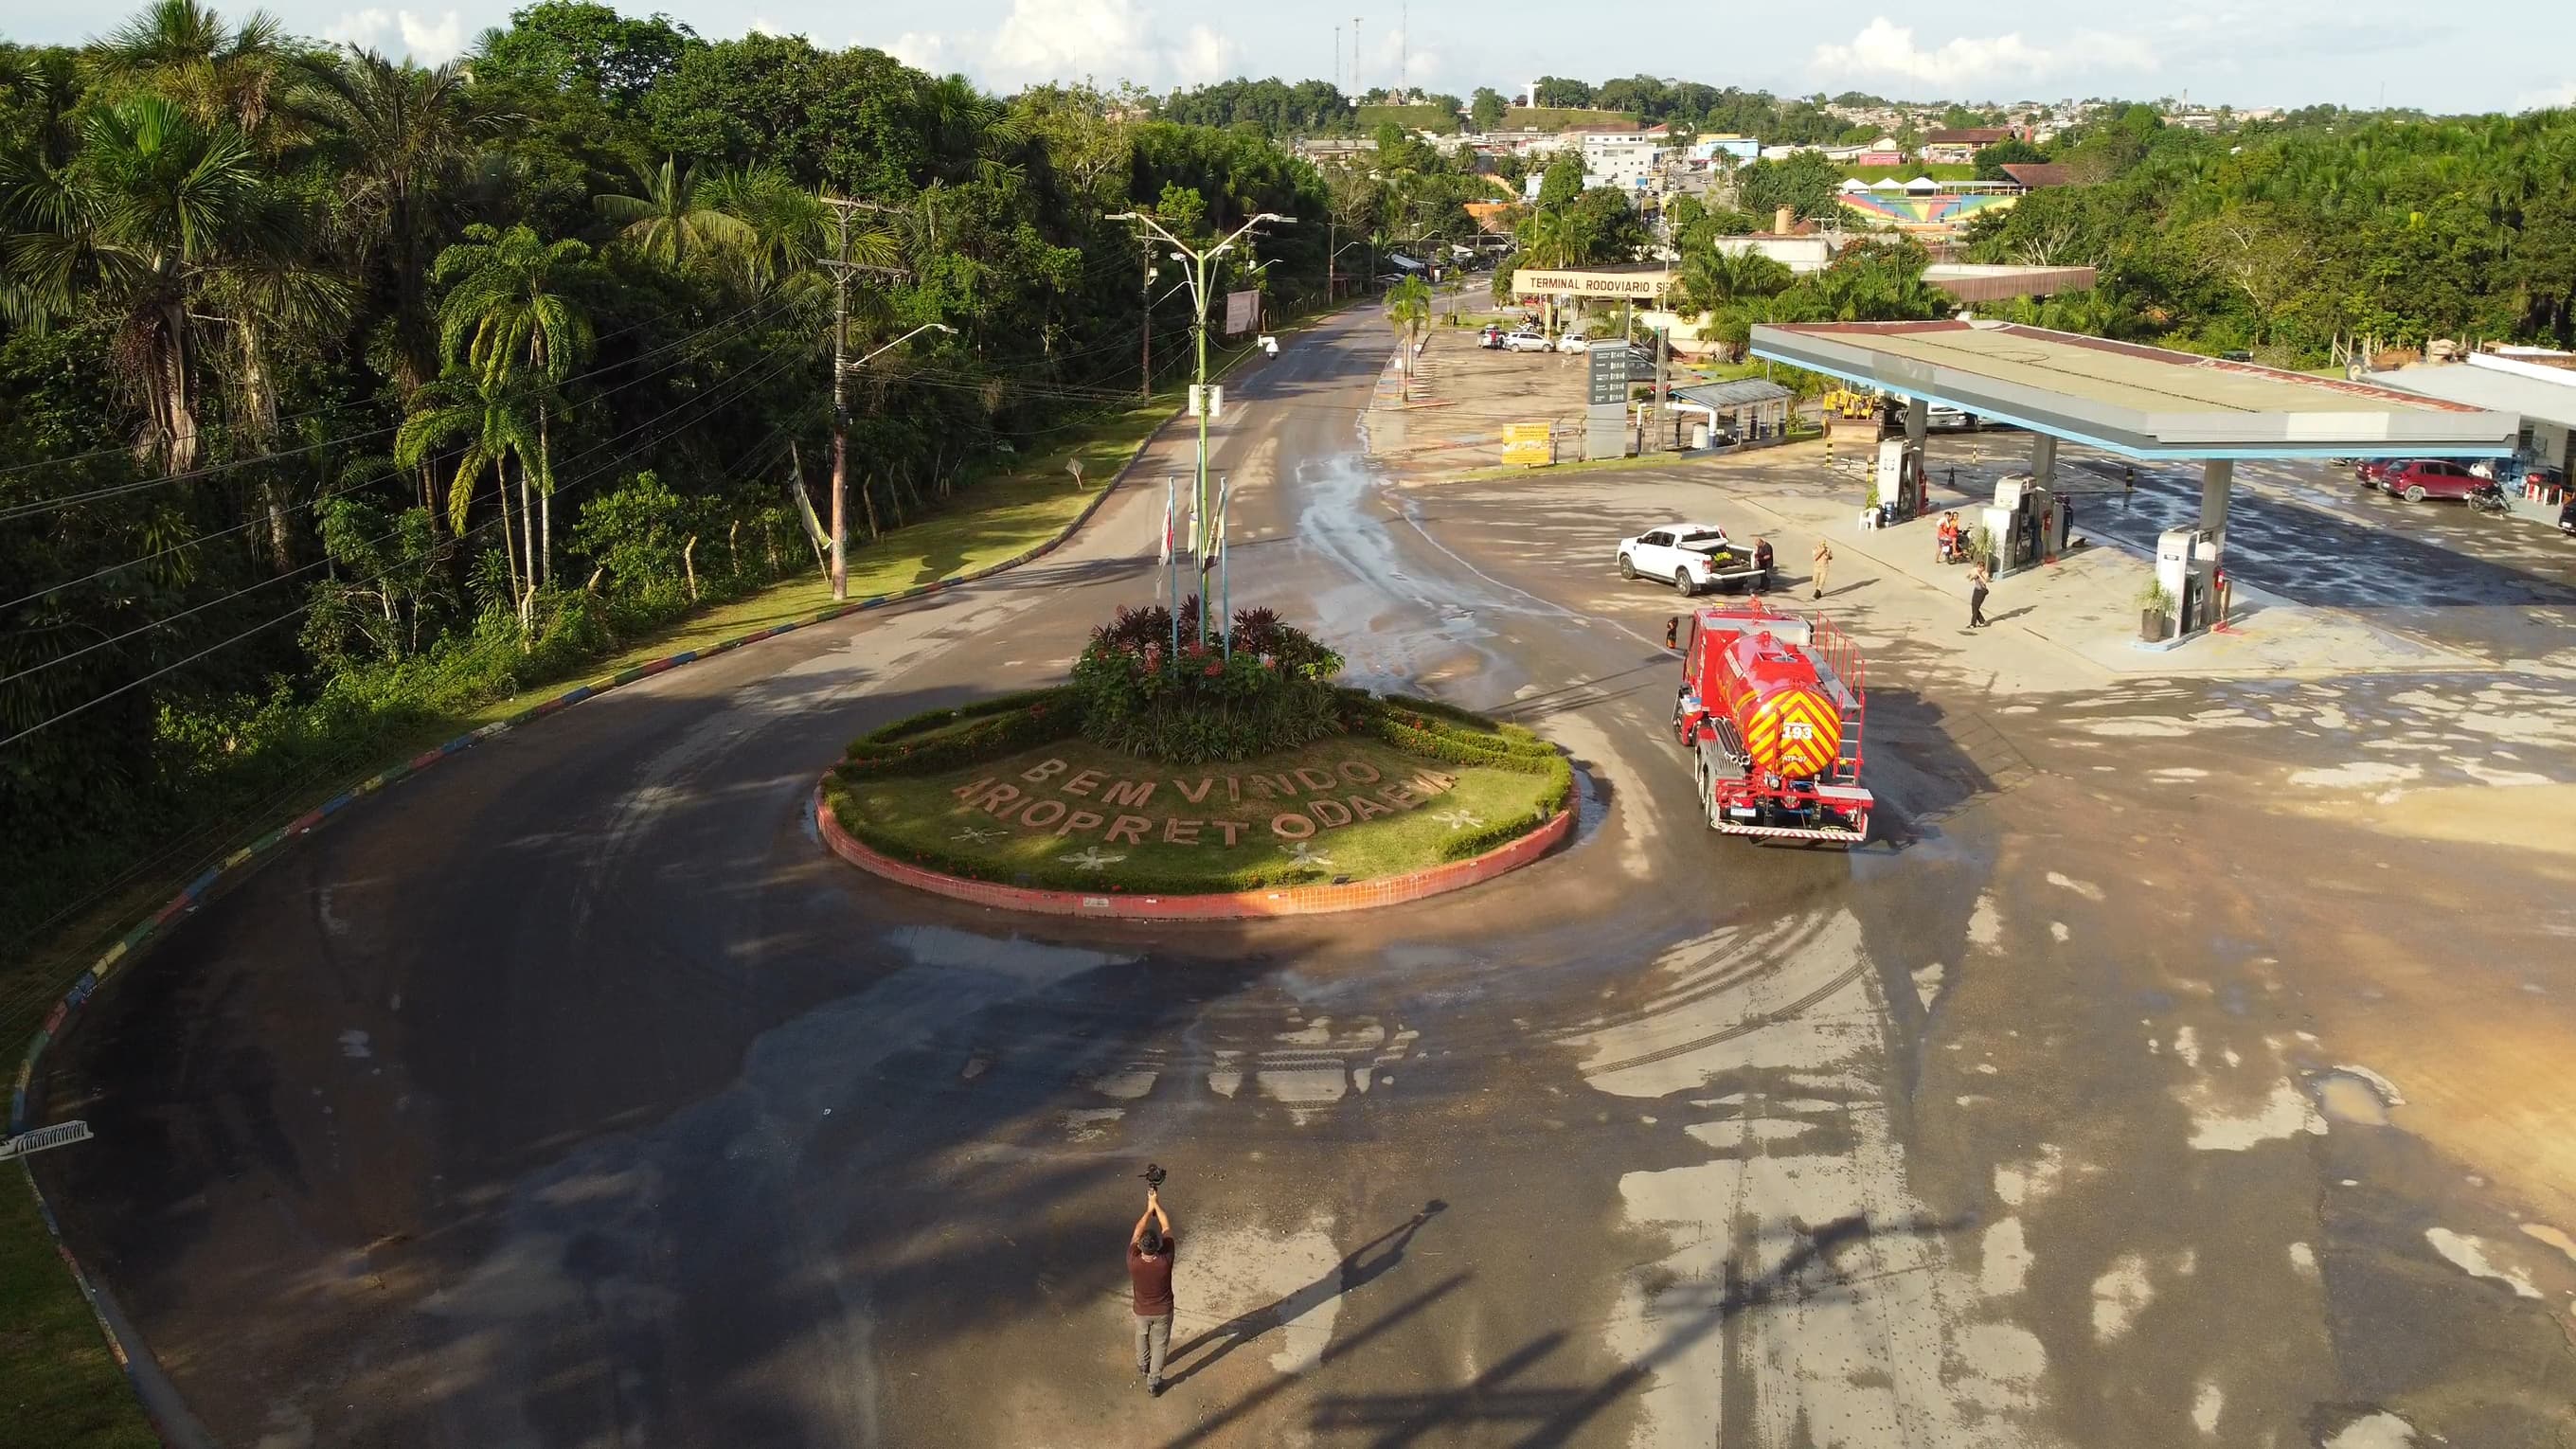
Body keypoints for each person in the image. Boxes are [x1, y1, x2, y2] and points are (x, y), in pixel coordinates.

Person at [1128, 1187, 1177, 1395]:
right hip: (1163, 1310)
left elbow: (1138, 1230)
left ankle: (1142, 1365)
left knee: (1141, 1335)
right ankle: (1154, 1382)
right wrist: (1156, 1204)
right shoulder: (1165, 1260)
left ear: (1140, 1246)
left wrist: (1148, 1211)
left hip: (1141, 1309)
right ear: (1157, 1246)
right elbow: (1166, 1226)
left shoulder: (1133, 1260)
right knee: (1160, 1343)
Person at [1968, 561, 1992, 630]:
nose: (1978, 569)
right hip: (1976, 590)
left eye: (1980, 567)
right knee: (1973, 606)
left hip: (1981, 592)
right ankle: (1982, 622)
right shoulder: (1977, 573)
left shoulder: (1985, 573)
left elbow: (1985, 581)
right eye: (1978, 567)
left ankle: (1973, 624)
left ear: (1983, 568)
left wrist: (1979, 574)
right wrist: (1973, 575)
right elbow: (1969, 579)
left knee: (1976, 607)